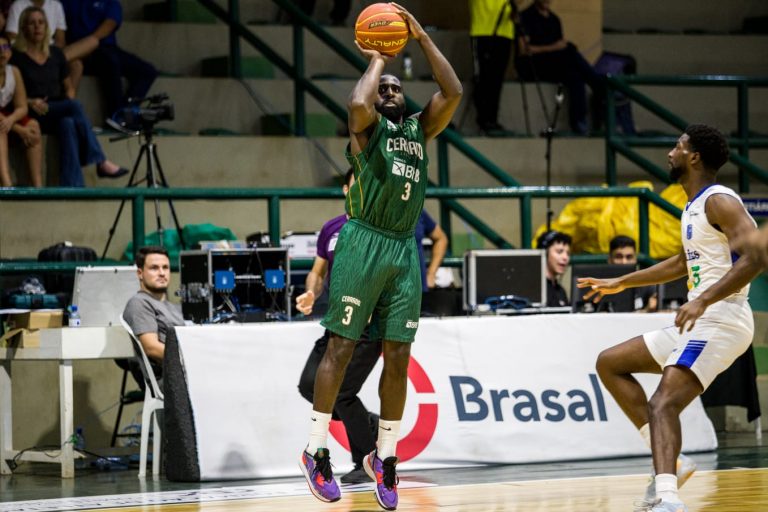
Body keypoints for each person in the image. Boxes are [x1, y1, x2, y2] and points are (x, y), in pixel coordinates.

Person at [297, 3, 462, 508]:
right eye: (382, 88)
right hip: (363, 241)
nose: (388, 91)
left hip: (403, 248)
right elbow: (356, 102)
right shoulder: (366, 131)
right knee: (341, 347)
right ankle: (316, 450)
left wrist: (421, 38)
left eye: (395, 87)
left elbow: (453, 91)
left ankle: (385, 457)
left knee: (399, 355)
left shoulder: (419, 130)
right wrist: (378, 57)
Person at [577, 125, 761, 512]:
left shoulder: (720, 200)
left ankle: (668, 499)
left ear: (694, 157)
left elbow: (756, 258)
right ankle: (671, 463)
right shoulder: (693, 206)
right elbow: (682, 263)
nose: (670, 152)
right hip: (702, 318)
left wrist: (702, 300)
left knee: (663, 403)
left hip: (722, 318)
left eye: (678, 146)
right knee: (610, 363)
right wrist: (622, 281)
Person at [296, 169, 383, 485]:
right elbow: (317, 272)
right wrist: (311, 292)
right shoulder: (331, 228)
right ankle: (366, 423)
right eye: (357, 185)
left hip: (368, 327)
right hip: (337, 324)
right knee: (309, 385)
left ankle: (365, 461)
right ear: (346, 189)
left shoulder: (380, 229)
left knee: (343, 392)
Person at [11, 6, 127, 186]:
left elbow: (69, 88)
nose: (37, 27)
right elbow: (10, 92)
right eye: (32, 23)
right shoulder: (16, 57)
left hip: (56, 109)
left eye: (41, 22)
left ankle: (72, 184)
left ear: (46, 27)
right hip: (32, 111)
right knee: (73, 107)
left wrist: (70, 106)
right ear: (24, 28)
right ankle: (100, 160)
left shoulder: (56, 54)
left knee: (68, 123)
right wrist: (30, 101)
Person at [515, 0, 602, 135]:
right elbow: (524, 50)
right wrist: (553, 47)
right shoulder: (525, 16)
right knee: (569, 53)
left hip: (554, 63)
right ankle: (599, 84)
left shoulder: (554, 19)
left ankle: (579, 121)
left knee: (575, 74)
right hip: (532, 65)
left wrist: (559, 48)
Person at [60, 0, 157, 119]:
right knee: (110, 61)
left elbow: (110, 23)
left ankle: (125, 113)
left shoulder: (110, 2)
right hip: (79, 50)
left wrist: (91, 41)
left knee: (147, 71)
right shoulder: (67, 2)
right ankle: (115, 115)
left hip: (105, 46)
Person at [123, 246, 185, 385]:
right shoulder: (139, 303)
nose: (162, 273)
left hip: (188, 373)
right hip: (170, 381)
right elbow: (152, 348)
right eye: (154, 268)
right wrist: (192, 357)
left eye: (165, 267)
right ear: (140, 273)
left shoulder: (174, 307)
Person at [0, 34, 42, 187]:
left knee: (33, 126)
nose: (2, 52)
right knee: (0, 129)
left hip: (6, 118)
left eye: (5, 47)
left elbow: (22, 106)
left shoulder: (14, 71)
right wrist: (19, 129)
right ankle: (6, 184)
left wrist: (12, 120)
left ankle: (37, 186)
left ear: (10, 52)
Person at [468, 0, 515, 136]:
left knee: (497, 79)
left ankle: (492, 120)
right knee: (483, 78)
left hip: (505, 32)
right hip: (482, 30)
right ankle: (484, 120)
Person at [605, 235, 658, 312]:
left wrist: (649, 308)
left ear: (635, 259)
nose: (624, 262)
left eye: (629, 257)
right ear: (610, 259)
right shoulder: (600, 285)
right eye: (619, 257)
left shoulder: (646, 283)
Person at [536, 229, 570, 307]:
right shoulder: (536, 290)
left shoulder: (561, 291)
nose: (565, 257)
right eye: (559, 252)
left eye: (568, 253)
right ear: (545, 253)